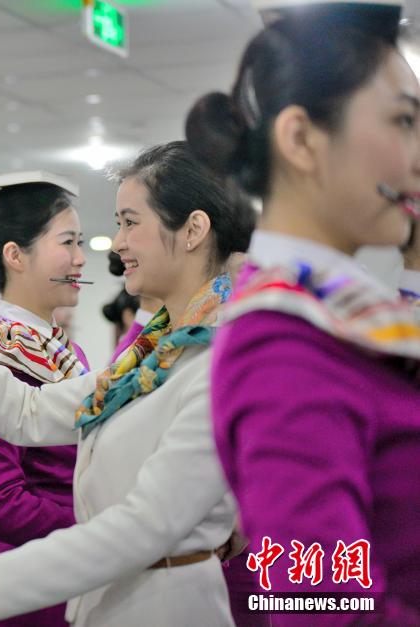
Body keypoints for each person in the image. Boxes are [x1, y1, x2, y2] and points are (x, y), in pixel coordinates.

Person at [0, 140, 256, 627]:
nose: (116, 244)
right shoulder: (152, 355)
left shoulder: (217, 361)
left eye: (130, 223)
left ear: (194, 230)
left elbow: (141, 527)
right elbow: (25, 412)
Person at [185, 0, 420, 622]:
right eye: (404, 121)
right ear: (301, 140)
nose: (418, 157)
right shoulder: (281, 346)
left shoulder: (336, 311)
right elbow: (320, 603)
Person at [0, 172, 90, 627]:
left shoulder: (68, 351)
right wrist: (97, 530)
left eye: (80, 243)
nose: (80, 258)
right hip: (36, 590)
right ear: (15, 255)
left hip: (81, 575)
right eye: (67, 243)